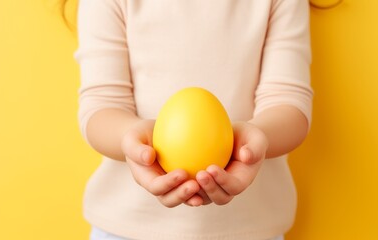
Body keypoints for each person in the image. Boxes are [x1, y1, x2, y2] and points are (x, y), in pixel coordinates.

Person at [72, 0, 313, 239]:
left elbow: (288, 102)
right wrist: (133, 141)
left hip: (251, 227)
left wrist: (253, 142)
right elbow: (102, 106)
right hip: (125, 227)